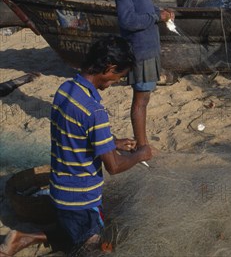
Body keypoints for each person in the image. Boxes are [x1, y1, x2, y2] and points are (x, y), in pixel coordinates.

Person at [0, 35, 152, 257]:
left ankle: (24, 237)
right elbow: (114, 166)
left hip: (60, 191)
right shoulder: (95, 110)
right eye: (118, 77)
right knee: (91, 246)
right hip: (81, 199)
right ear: (109, 68)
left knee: (73, 232)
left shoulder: (66, 89)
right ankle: (26, 237)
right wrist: (141, 153)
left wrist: (112, 142)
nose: (115, 82)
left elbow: (75, 135)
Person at [114, 0, 175, 147]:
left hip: (148, 49)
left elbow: (144, 10)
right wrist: (156, 17)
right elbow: (127, 20)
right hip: (139, 50)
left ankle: (142, 143)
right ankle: (142, 145)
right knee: (140, 101)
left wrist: (160, 12)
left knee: (144, 98)